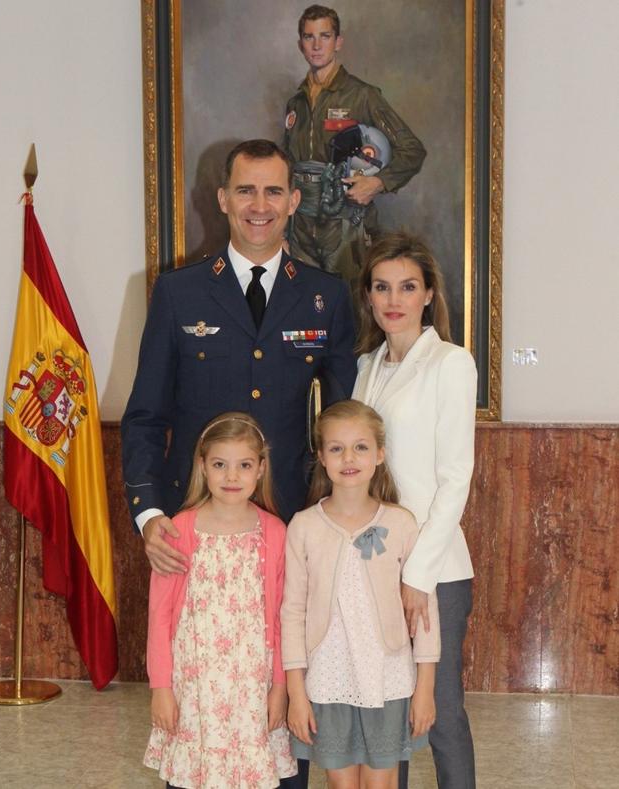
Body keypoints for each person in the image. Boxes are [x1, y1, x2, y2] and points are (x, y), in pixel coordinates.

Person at [121, 138, 357, 573]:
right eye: (246, 190)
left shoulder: (327, 296)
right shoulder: (178, 294)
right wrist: (150, 514)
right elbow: (145, 418)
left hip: (294, 524)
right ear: (223, 199)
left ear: (293, 201)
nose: (259, 205)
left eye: (274, 191)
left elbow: (341, 421)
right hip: (192, 524)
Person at [352, 232, 477, 789]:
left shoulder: (451, 363)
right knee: (388, 713)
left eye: (407, 286)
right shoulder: (366, 366)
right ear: (369, 296)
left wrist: (417, 576)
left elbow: (455, 479)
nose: (393, 299)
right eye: (382, 287)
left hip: (434, 569)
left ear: (429, 294)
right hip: (373, 561)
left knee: (441, 713)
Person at [281, 400, 440, 788]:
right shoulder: (303, 526)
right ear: (321, 456)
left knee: (381, 784)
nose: (348, 458)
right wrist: (296, 694)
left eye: (361, 447)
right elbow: (292, 613)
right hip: (327, 679)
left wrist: (425, 689)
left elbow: (425, 614)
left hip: (388, 679)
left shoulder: (401, 524)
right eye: (336, 448)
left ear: (380, 454)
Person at [143, 412, 297, 788]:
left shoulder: (275, 533)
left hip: (251, 687)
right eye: (219, 464)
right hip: (194, 687)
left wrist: (280, 687)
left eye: (244, 465)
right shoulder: (179, 529)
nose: (231, 476)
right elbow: (160, 616)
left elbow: (281, 617)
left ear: (261, 469)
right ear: (202, 466)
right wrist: (161, 688)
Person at [284, 5, 426, 285]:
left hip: (345, 221)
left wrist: (378, 183)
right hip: (300, 225)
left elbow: (412, 149)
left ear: (338, 42)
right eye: (309, 37)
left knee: (349, 310)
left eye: (324, 36)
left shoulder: (362, 96)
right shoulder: (295, 103)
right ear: (300, 44)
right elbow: (285, 168)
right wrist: (281, 232)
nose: (316, 45)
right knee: (303, 310)